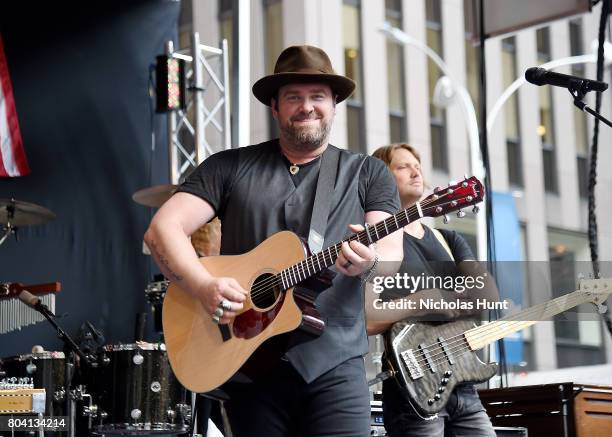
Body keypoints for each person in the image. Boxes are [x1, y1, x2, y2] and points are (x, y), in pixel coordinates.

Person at [144, 45, 403, 437]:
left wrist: (370, 263)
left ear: (334, 104)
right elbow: (162, 229)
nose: (307, 107)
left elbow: (390, 252)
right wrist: (203, 285)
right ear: (275, 107)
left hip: (335, 364)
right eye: (293, 97)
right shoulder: (228, 166)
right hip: (246, 362)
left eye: (318, 97)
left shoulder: (368, 173)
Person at [366, 143, 498, 437]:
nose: (416, 172)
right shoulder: (375, 243)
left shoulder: (448, 239)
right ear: (381, 178)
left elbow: (487, 296)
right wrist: (425, 301)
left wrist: (443, 303)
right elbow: (369, 320)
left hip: (464, 386)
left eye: (418, 165)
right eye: (402, 166)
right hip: (411, 391)